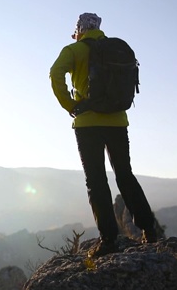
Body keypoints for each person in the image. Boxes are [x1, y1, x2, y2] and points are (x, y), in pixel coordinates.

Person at [49, 13, 158, 257]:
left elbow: (55, 74)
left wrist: (70, 105)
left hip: (87, 124)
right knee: (125, 174)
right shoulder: (116, 49)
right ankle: (149, 230)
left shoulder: (74, 50)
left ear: (79, 30)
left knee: (96, 180)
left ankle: (109, 239)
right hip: (118, 121)